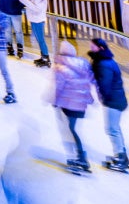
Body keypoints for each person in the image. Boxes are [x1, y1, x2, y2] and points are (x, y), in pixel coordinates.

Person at [51, 40, 96, 174]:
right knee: (74, 129)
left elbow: (59, 87)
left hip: (68, 103)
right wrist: (90, 99)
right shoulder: (83, 64)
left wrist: (55, 101)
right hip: (81, 103)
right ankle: (80, 157)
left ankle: (81, 158)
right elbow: (91, 80)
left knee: (72, 130)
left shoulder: (60, 66)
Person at [88, 38, 129, 172]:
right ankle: (122, 156)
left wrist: (102, 97)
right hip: (116, 99)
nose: (90, 48)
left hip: (113, 100)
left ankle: (121, 158)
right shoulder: (104, 60)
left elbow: (104, 84)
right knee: (114, 128)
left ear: (100, 48)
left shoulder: (104, 63)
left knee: (112, 129)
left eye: (93, 46)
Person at [21, 0, 51, 67]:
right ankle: (43, 57)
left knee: (41, 40)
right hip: (35, 20)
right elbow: (31, 5)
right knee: (39, 40)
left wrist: (24, 0)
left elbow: (37, 9)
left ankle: (46, 59)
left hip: (38, 20)